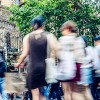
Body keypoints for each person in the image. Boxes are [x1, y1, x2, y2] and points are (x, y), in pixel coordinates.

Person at [14, 15, 59, 100]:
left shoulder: (28, 37)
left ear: (33, 25)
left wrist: (19, 63)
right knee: (40, 93)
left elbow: (25, 53)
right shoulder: (49, 35)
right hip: (44, 68)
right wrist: (52, 58)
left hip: (33, 68)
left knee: (35, 94)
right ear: (42, 25)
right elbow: (57, 48)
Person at [59, 20, 86, 100]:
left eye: (63, 30)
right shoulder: (79, 40)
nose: (62, 32)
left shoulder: (63, 40)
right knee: (76, 91)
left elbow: (60, 54)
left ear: (67, 29)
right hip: (78, 66)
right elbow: (81, 56)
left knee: (67, 91)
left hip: (67, 67)